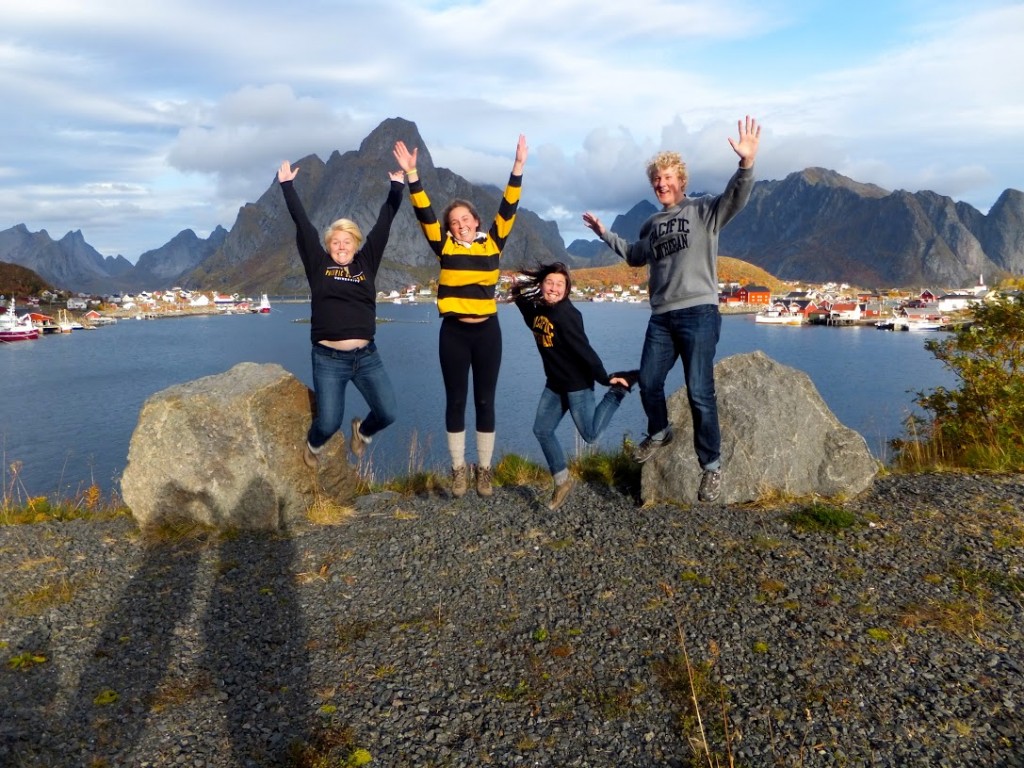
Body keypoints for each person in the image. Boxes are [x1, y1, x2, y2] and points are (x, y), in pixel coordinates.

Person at [582, 115, 762, 503]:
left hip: (699, 313)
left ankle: (711, 466)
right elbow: (633, 256)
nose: (662, 184)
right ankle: (659, 431)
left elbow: (737, 197)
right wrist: (603, 234)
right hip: (661, 317)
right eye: (656, 180)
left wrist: (745, 164)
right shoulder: (650, 224)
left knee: (700, 392)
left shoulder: (703, 211)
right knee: (649, 381)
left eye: (668, 178)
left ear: (682, 181)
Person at [392, 135, 528, 498]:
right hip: (453, 333)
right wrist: (412, 175)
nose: (460, 225)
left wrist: (517, 168)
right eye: (454, 222)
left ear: (476, 221)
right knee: (455, 400)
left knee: (485, 400)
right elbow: (424, 214)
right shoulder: (444, 246)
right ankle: (457, 471)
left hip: (488, 333)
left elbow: (509, 207)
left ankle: (483, 470)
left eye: (465, 219)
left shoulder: (493, 242)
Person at [277, 159, 405, 469]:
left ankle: (362, 432)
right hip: (328, 359)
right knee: (329, 422)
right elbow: (303, 225)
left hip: (366, 356)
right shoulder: (319, 265)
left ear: (356, 244)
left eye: (347, 241)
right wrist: (287, 187)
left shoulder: (366, 263)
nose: (341, 245)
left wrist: (397, 187)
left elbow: (384, 223)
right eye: (336, 242)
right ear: (328, 246)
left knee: (388, 412)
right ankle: (314, 443)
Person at [511, 262, 638, 510]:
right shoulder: (540, 311)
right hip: (555, 385)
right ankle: (562, 480)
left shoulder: (568, 315)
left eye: (560, 284)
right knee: (542, 430)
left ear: (567, 289)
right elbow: (528, 312)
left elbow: (584, 350)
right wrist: (517, 293)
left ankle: (619, 390)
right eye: (549, 282)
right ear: (542, 285)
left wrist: (604, 378)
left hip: (577, 385)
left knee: (590, 436)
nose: (554, 288)